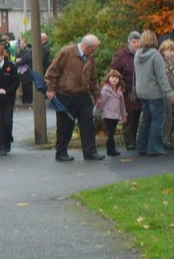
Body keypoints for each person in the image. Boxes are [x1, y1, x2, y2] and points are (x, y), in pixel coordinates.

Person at [45, 34, 105, 162]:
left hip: (83, 96)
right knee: (65, 126)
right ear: (87, 47)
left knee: (88, 124)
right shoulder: (66, 53)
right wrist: (51, 89)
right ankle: (61, 153)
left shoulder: (90, 58)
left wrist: (97, 96)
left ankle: (90, 153)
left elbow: (93, 79)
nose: (95, 51)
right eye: (94, 48)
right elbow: (52, 72)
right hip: (65, 95)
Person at [134, 30, 174, 156]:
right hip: (155, 93)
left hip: (142, 92)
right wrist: (169, 93)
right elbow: (161, 77)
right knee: (157, 121)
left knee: (146, 120)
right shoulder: (155, 55)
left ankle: (142, 147)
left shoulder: (137, 54)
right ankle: (154, 148)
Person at [110, 31, 142, 150]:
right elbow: (114, 72)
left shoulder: (142, 54)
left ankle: (134, 139)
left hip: (139, 90)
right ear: (129, 42)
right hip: (126, 90)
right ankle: (129, 141)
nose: (136, 44)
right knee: (128, 116)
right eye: (134, 42)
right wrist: (120, 85)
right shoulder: (121, 55)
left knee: (137, 114)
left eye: (138, 41)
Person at [93, 69, 127, 157]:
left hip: (116, 116)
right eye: (112, 77)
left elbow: (122, 105)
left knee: (112, 132)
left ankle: (110, 149)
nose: (114, 79)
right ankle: (111, 150)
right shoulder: (105, 91)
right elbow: (100, 103)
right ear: (108, 78)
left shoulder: (119, 92)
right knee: (111, 133)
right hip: (108, 116)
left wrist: (124, 115)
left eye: (116, 78)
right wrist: (94, 113)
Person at [159, 39, 174, 149]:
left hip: (172, 92)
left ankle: (168, 138)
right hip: (165, 93)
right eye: (170, 50)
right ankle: (165, 140)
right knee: (167, 116)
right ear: (163, 50)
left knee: (171, 116)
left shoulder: (171, 62)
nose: (172, 52)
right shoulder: (161, 62)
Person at [15, 38, 33, 104]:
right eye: (21, 43)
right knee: (24, 86)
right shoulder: (21, 51)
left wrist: (18, 62)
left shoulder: (27, 51)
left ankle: (28, 100)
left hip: (27, 70)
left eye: (23, 43)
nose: (21, 45)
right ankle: (24, 100)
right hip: (22, 71)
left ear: (25, 43)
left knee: (28, 86)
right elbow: (17, 58)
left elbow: (24, 59)